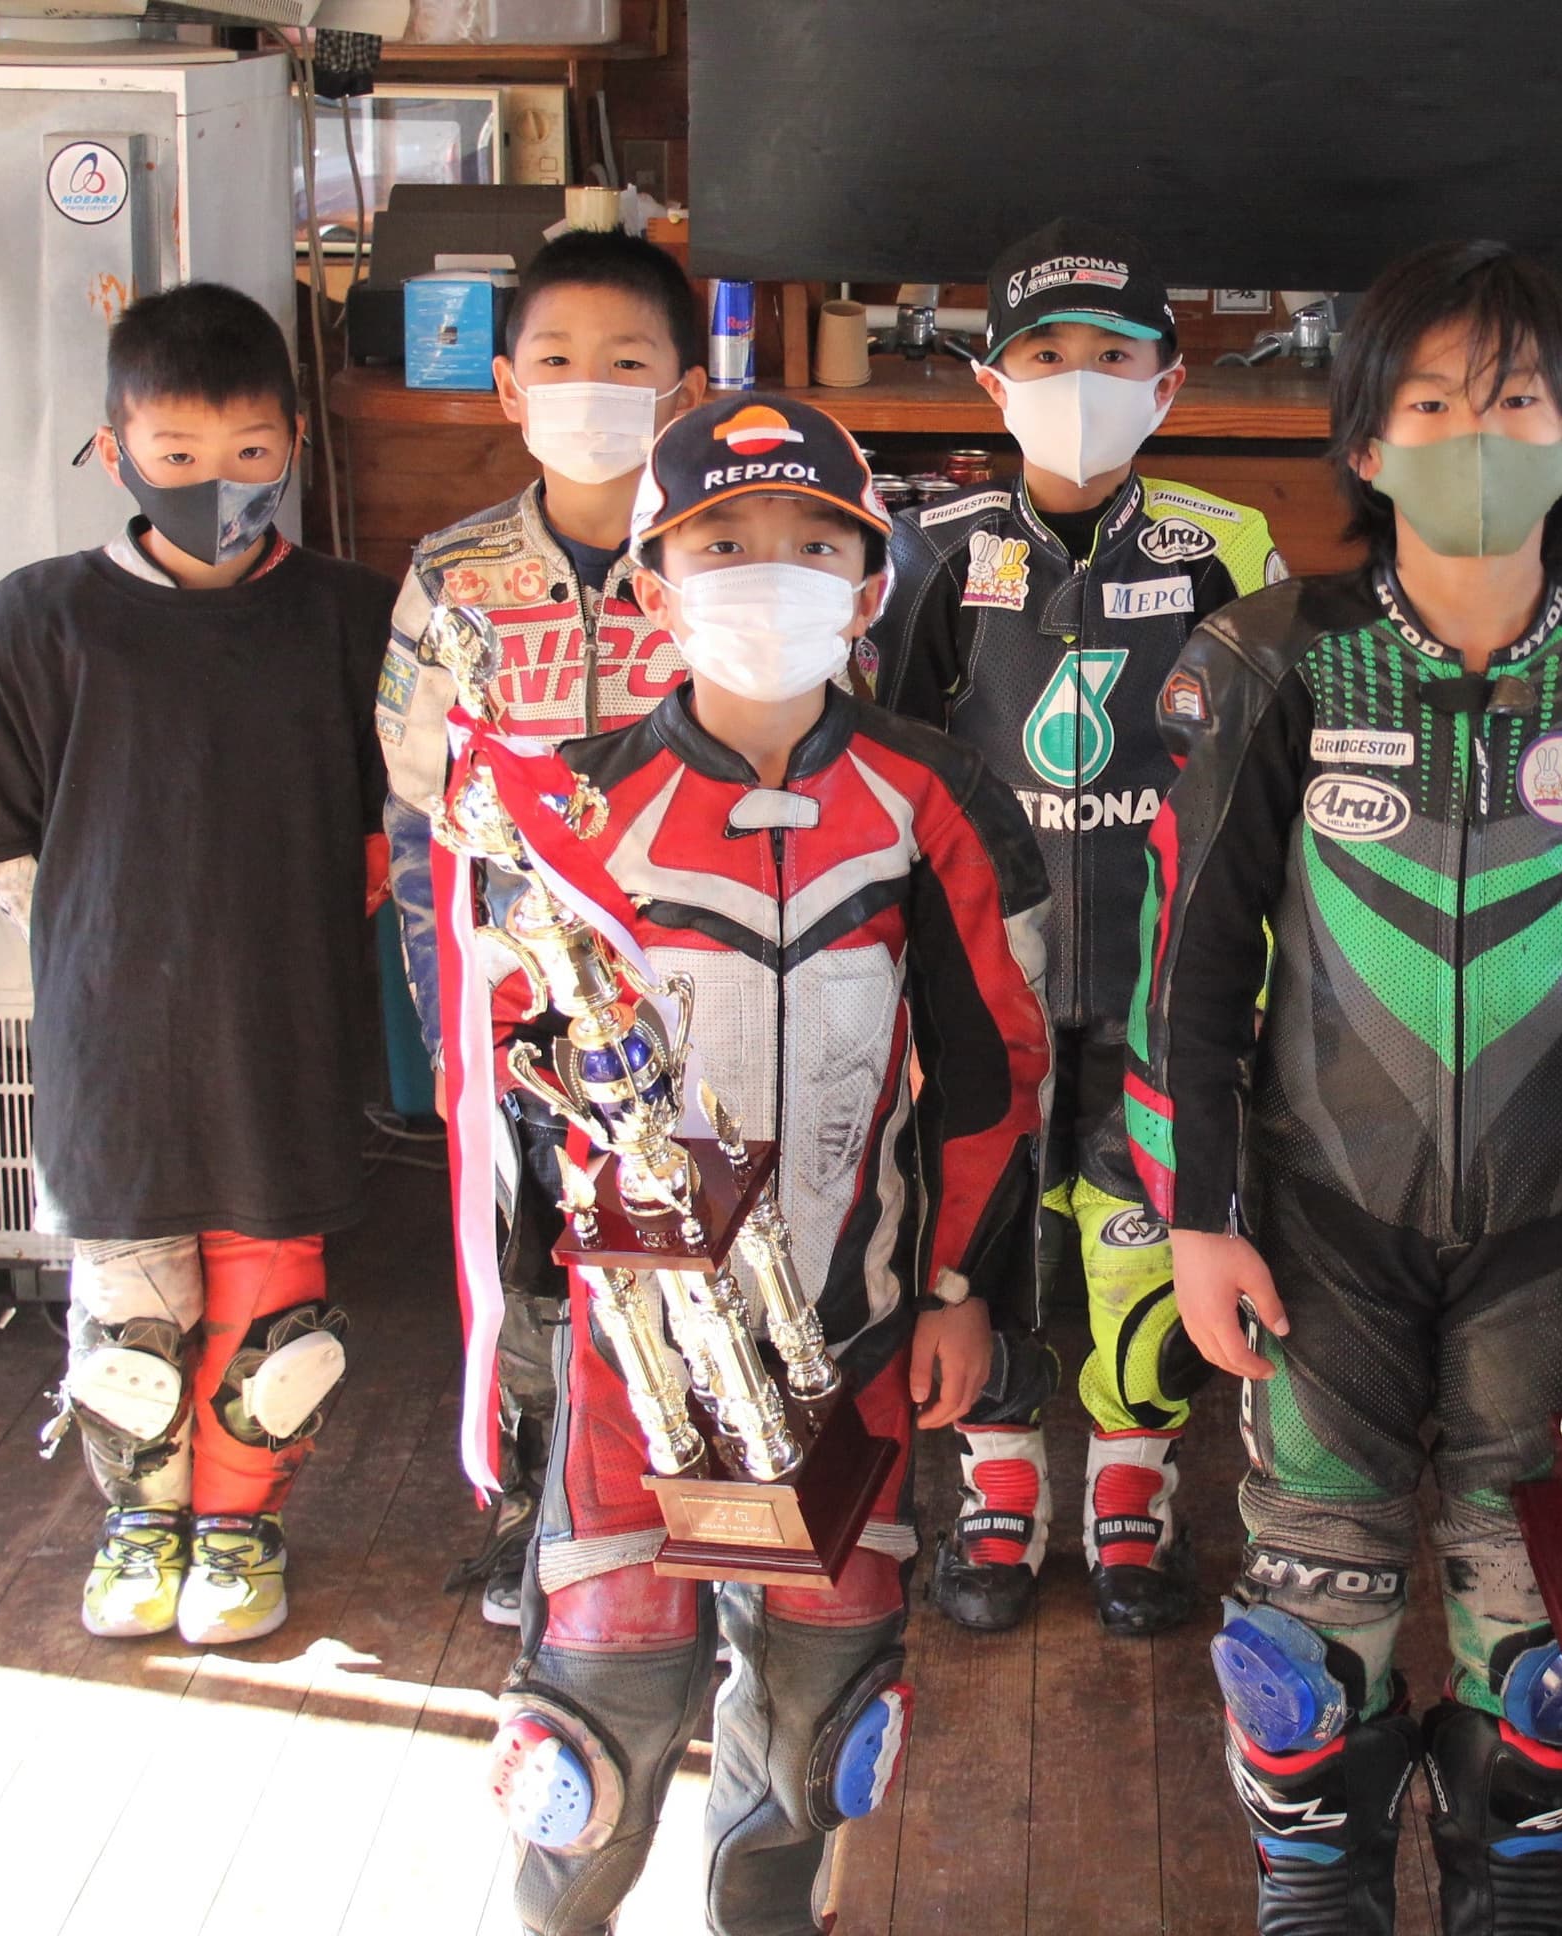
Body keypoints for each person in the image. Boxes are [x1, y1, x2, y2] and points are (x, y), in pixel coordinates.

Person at [1132, 239, 1562, 1935]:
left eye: (1516, 401)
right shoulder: (1272, 658)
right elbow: (1190, 969)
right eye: (1429, 403)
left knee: (1541, 1614)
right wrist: (1197, 1218)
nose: (1475, 435)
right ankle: (1318, 1879)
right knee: (1304, 1616)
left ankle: (1514, 1877)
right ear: (1363, 443)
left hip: (1559, 1231)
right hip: (1316, 1221)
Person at [475, 394, 1054, 1933]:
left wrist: (962, 1293)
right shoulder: (575, 807)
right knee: (595, 1723)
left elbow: (995, 1073)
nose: (768, 571)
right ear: (653, 584)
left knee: (822, 1722)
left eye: (813, 542)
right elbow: (521, 1093)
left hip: (856, 1340)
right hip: (632, 1359)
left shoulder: (936, 796)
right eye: (722, 542)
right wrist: (529, 1330)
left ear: (869, 588)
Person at [872, 218, 1284, 1638]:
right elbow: (894, 764)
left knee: (1137, 1229)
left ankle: (1130, 1486)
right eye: (1046, 355)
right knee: (978, 1218)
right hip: (986, 976)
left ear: (1167, 385)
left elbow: (1261, 765)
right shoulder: (933, 550)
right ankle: (996, 1482)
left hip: (1164, 968)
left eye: (1113, 356)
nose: (1080, 381)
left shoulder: (1224, 547)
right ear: (993, 383)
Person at [0, 284, 392, 1643]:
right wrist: (103, 947)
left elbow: (398, 827)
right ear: (117, 452)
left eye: (252, 451)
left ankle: (242, 1527)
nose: (219, 482)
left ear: (296, 445)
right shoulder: (34, 622)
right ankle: (140, 1524)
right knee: (129, 1321)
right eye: (179, 453)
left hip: (286, 1025)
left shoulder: (355, 620)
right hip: (109, 1040)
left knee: (275, 1322)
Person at [375, 228, 708, 1626]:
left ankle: (686, 1494)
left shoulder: (720, 557)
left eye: (627, 363)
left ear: (686, 389)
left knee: (683, 1230)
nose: (591, 388)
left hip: (691, 981)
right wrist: (444, 996)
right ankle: (536, 1501)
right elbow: (417, 807)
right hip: (515, 992)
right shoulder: (453, 573)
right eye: (559, 361)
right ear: (508, 387)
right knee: (529, 1252)